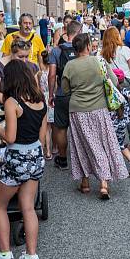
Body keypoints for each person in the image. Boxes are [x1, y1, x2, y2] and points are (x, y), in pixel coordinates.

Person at [0, 59, 47, 259]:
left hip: (17, 157)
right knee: (28, 207)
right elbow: (40, 136)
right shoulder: (41, 100)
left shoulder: (12, 102)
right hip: (35, 155)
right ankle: (31, 257)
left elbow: (9, 137)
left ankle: (4, 256)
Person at [61, 33, 128, 199]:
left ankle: (85, 182)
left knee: (81, 145)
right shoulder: (99, 62)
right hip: (99, 109)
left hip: (78, 110)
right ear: (88, 46)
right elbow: (114, 81)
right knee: (103, 143)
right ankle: (104, 183)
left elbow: (66, 89)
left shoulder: (70, 66)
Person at [48, 20, 82, 170]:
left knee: (61, 128)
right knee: (81, 128)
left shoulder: (56, 51)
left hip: (62, 93)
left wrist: (51, 94)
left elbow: (51, 75)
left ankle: (62, 159)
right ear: (78, 32)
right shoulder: (82, 49)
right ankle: (81, 160)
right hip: (80, 95)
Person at [100, 27, 130, 152]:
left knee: (114, 112)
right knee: (129, 112)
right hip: (126, 82)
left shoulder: (102, 53)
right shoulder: (125, 50)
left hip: (111, 84)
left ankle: (113, 140)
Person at [108, 69, 130, 177]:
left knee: (109, 145)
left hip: (111, 123)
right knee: (120, 144)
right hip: (123, 122)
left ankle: (112, 168)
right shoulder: (125, 91)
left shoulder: (109, 92)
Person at [38, 50, 53, 160]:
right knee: (49, 127)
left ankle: (42, 149)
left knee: (42, 126)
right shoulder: (53, 74)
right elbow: (55, 87)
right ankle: (49, 150)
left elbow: (38, 88)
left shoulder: (39, 74)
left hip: (42, 98)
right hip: (51, 99)